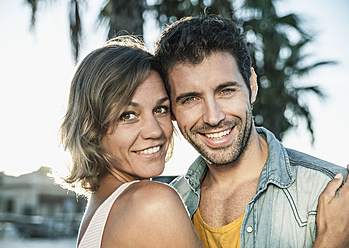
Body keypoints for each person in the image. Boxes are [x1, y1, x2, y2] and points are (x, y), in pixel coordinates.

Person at [154, 15, 349, 247]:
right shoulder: (170, 205)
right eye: (190, 99)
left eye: (225, 91)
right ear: (172, 110)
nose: (213, 117)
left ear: (252, 85)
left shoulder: (330, 193)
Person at [59, 36, 203, 248]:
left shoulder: (97, 215)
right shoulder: (153, 203)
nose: (155, 131)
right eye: (128, 115)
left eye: (160, 109)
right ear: (91, 126)